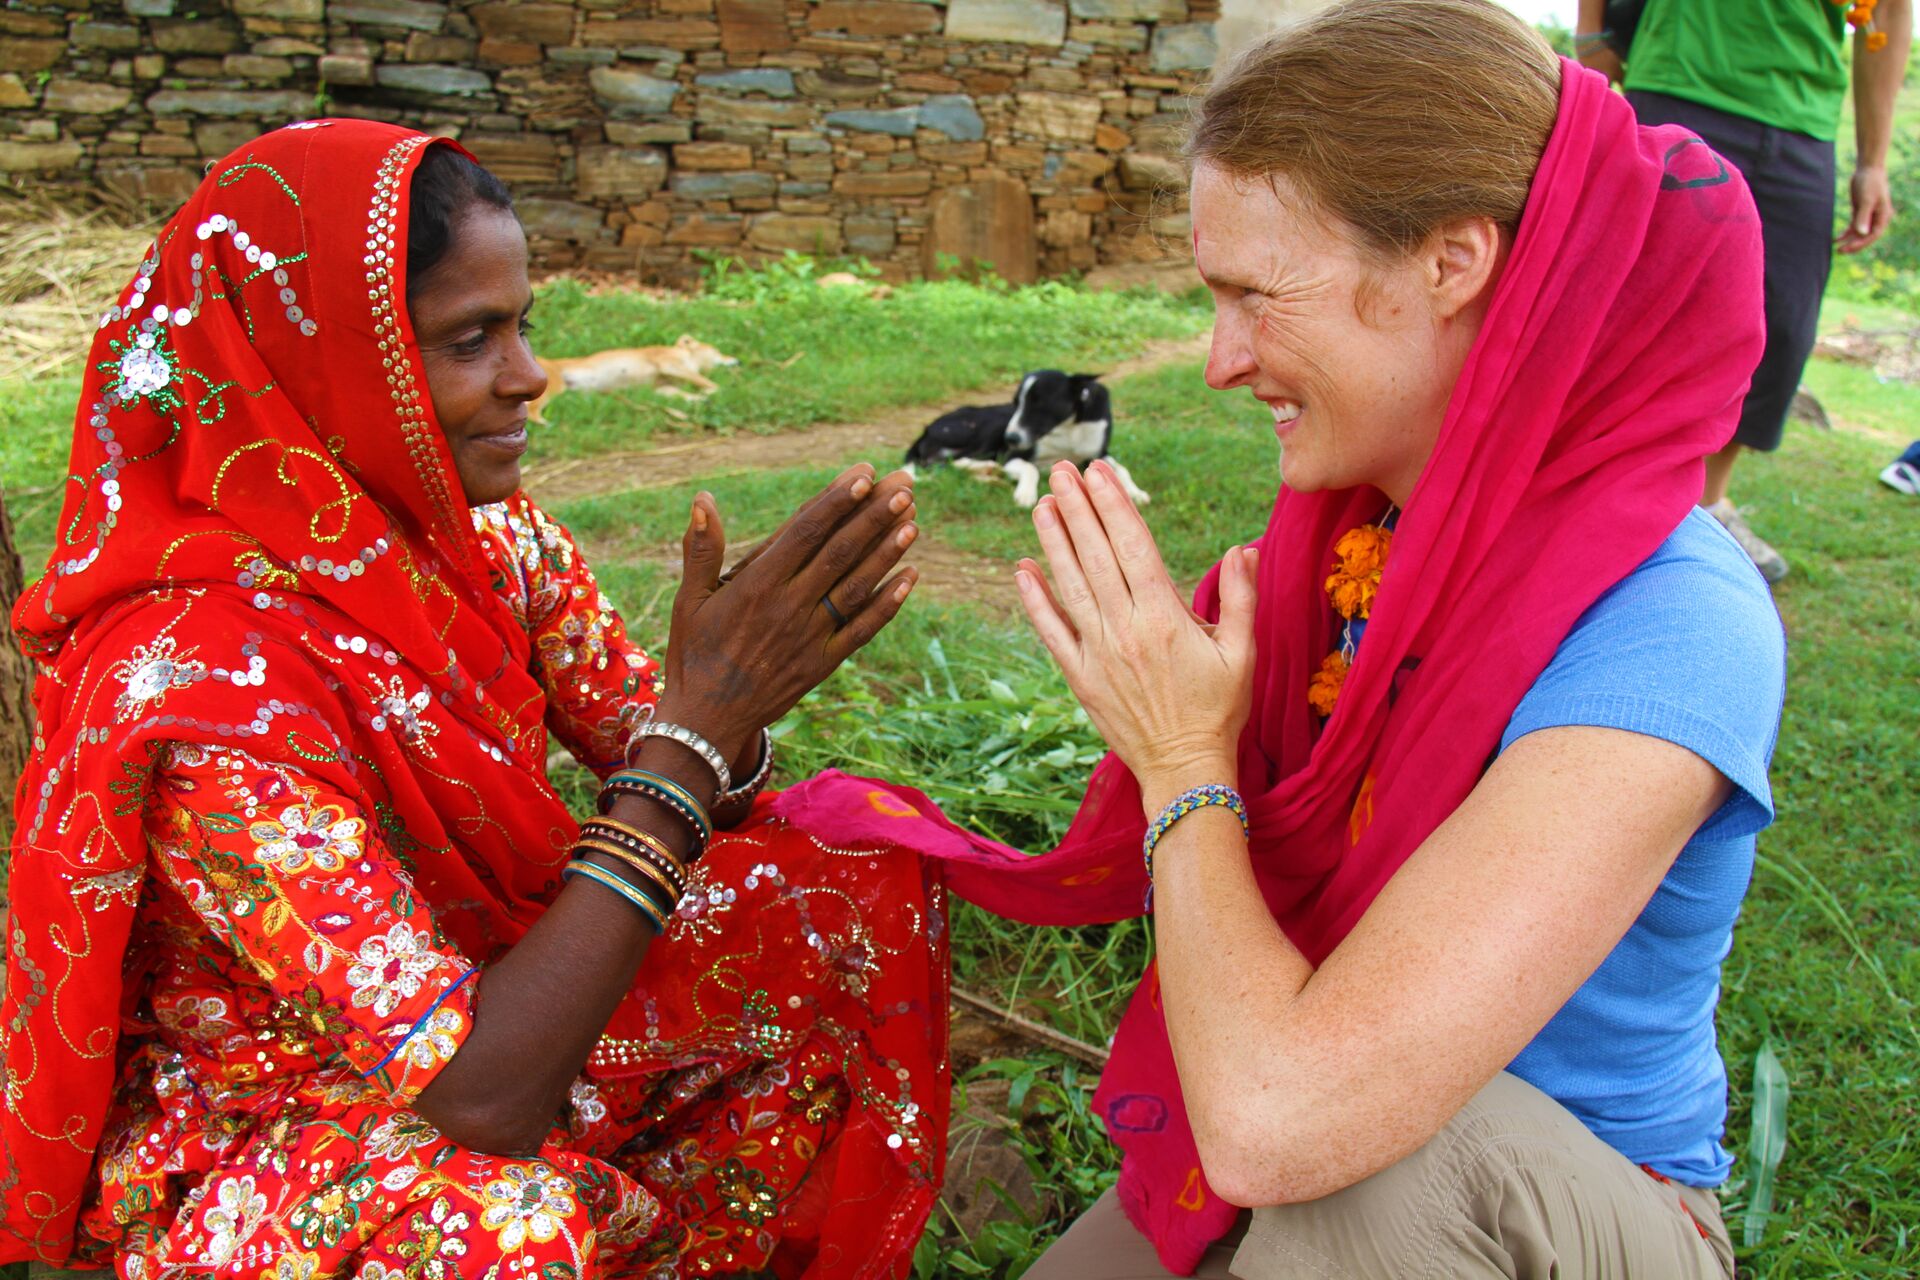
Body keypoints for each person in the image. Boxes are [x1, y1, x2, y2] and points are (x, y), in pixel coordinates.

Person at [774, 2, 1786, 1276]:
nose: (1218, 360)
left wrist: (1182, 758)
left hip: (1543, 1197)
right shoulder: (1347, 548)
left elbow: (1273, 1121)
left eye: (1256, 293)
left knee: (1379, 1171)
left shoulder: (1672, 618)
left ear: (1450, 263)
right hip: (1321, 1124)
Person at [2, 121, 950, 1280]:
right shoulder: (206, 694)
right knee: (497, 1221)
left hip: (497, 1010)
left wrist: (729, 704)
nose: (530, 376)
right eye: (470, 339)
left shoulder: (484, 542)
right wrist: (695, 735)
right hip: (283, 1118)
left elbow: (672, 762)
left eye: (523, 325)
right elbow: (480, 1096)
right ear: (332, 367)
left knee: (848, 894)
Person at [1576, 0, 1914, 582]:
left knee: (1782, 326)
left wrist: (1874, 162)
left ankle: (1704, 502)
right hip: (1678, 84)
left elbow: (1888, 17)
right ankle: (1584, 495)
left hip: (1802, 121)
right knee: (1627, 311)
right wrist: (1590, 39)